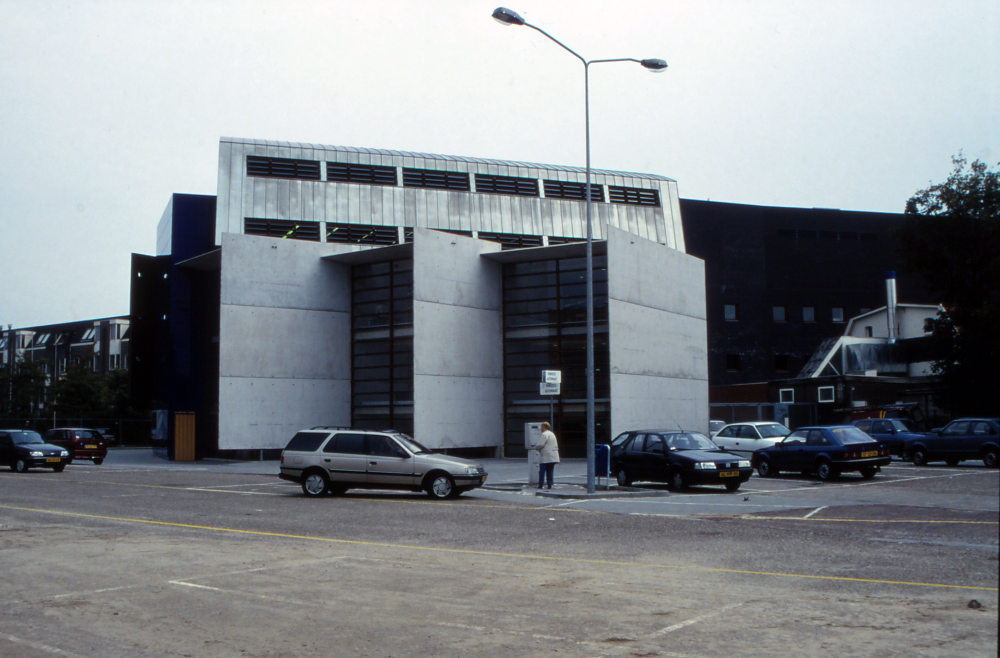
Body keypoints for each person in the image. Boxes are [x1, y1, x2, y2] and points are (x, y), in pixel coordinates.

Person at [535, 422, 560, 489]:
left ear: (546, 427)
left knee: (542, 471)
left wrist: (536, 447)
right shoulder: (552, 434)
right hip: (553, 455)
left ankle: (541, 484)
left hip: (546, 455)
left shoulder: (544, 434)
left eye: (542, 427)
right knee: (550, 471)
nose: (541, 428)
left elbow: (541, 444)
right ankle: (550, 484)